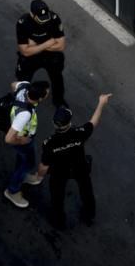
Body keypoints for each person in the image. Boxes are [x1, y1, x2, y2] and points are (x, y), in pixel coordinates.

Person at [37, 93, 112, 229]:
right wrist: (101, 103)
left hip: (59, 172)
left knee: (57, 198)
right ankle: (89, 214)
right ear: (69, 123)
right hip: (79, 167)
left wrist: (39, 176)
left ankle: (59, 222)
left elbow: (43, 166)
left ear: (54, 124)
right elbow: (93, 122)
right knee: (86, 191)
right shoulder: (79, 133)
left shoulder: (49, 143)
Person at [4, 80, 50, 209]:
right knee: (27, 164)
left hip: (23, 136)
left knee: (24, 161)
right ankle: (12, 191)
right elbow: (8, 139)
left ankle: (22, 175)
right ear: (39, 99)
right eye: (46, 93)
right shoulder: (24, 114)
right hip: (22, 140)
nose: (48, 94)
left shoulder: (24, 87)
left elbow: (13, 84)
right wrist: (21, 140)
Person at [16, 0, 67, 107]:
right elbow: (25, 52)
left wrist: (35, 45)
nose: (44, 20)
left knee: (57, 79)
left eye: (45, 17)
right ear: (32, 14)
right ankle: (22, 101)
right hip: (32, 58)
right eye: (40, 18)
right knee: (23, 80)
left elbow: (61, 46)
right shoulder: (23, 23)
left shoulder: (53, 18)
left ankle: (59, 101)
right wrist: (48, 42)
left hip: (50, 56)